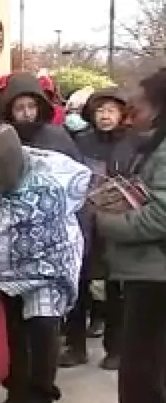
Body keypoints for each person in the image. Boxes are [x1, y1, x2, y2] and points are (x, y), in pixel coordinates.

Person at [0, 125, 89, 403]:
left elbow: (9, 247)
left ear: (5, 173)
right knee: (13, 329)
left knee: (43, 327)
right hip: (8, 266)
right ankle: (17, 390)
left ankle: (41, 400)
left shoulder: (43, 188)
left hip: (50, 262)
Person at [88, 68, 166, 403]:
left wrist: (108, 221)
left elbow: (159, 217)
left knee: (145, 386)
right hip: (147, 279)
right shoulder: (150, 146)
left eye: (142, 100)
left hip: (157, 284)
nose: (133, 107)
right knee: (145, 384)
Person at [62, 87, 137, 370]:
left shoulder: (132, 143)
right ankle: (75, 345)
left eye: (111, 111)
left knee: (115, 285)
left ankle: (116, 348)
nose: (105, 116)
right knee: (79, 283)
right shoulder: (80, 141)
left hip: (117, 220)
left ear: (121, 114)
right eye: (100, 110)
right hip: (83, 219)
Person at [0, 71, 81, 161]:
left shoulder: (58, 136)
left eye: (31, 106)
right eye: (19, 108)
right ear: (10, 111)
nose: (27, 114)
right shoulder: (0, 139)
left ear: (40, 107)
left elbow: (77, 169)